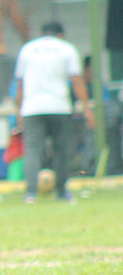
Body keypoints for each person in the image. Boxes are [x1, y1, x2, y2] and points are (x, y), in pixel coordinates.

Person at [14, 22, 94, 203]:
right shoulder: (66, 49)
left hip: (32, 108)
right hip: (59, 106)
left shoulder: (28, 49)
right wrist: (87, 108)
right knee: (62, 150)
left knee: (33, 150)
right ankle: (61, 190)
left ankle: (30, 193)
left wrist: (19, 111)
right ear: (61, 34)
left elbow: (20, 83)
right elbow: (77, 81)